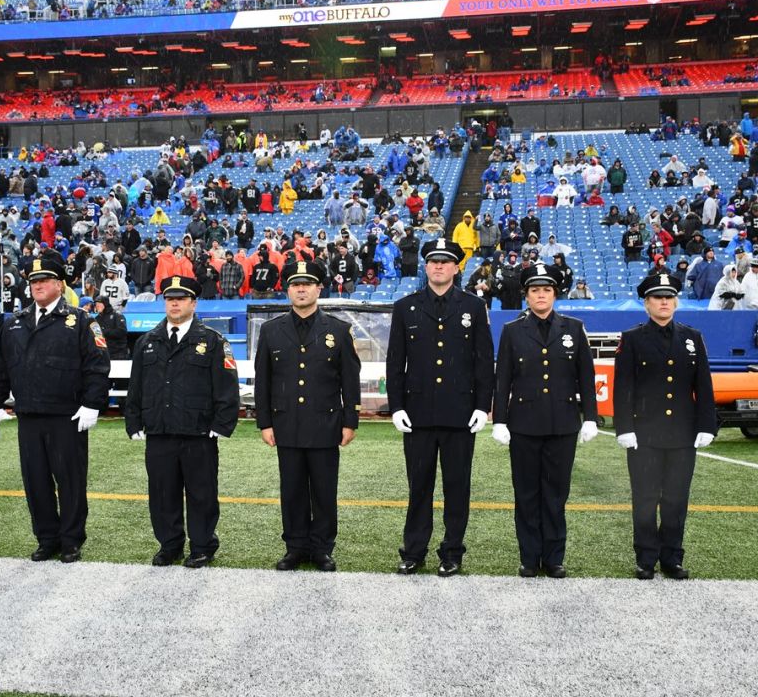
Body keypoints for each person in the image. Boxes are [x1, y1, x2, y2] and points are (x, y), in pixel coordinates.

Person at [0, 252, 111, 564]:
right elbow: (0, 367)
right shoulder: (14, 323)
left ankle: (71, 540)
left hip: (66, 416)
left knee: (70, 482)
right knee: (36, 482)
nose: (38, 286)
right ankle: (46, 538)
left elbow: (97, 366)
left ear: (59, 284)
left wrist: (92, 404)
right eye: (33, 282)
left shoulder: (81, 321)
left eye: (44, 280)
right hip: (28, 416)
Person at [386, 239, 495, 577]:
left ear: (456, 267)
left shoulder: (473, 307)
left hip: (460, 413)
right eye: (433, 261)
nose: (438, 267)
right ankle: (413, 551)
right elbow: (395, 362)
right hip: (417, 414)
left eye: (445, 262)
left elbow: (483, 361)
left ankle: (452, 551)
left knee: (457, 487)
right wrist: (396, 406)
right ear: (426, 266)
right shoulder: (406, 307)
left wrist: (482, 406)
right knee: (419, 486)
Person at [125, 275, 241, 568]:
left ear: (193, 302)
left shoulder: (213, 341)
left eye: (180, 298)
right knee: (163, 493)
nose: (174, 303)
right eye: (169, 298)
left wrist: (222, 424)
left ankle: (202, 545)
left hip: (198, 432)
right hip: (159, 430)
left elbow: (227, 386)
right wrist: (133, 420)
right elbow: (136, 385)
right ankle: (170, 544)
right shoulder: (147, 342)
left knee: (201, 493)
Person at [492, 263, 599, 578]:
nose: (541, 295)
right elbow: (503, 380)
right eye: (535, 290)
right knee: (526, 494)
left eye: (547, 290)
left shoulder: (574, 328)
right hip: (523, 425)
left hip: (563, 425)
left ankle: (554, 557)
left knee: (555, 495)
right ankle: (529, 557)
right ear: (526, 295)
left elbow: (586, 378)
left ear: (555, 294)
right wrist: (499, 420)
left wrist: (590, 417)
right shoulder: (512, 330)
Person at [254, 261, 361, 572]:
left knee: (325, 489)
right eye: (295, 284)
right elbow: (264, 380)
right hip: (286, 424)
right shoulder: (271, 330)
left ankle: (322, 548)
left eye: (307, 283)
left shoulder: (339, 330)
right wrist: (265, 422)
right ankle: (295, 546)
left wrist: (350, 421)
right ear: (287, 290)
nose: (301, 288)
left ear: (318, 289)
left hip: (325, 424)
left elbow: (349, 380)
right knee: (292, 488)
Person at [614, 273, 717, 580]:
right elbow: (624, 387)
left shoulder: (692, 337)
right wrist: (624, 427)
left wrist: (706, 424)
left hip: (682, 434)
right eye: (657, 298)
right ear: (646, 304)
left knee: (676, 498)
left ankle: (672, 557)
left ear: (676, 302)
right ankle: (645, 558)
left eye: (668, 297)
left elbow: (704, 384)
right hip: (644, 434)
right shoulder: (632, 338)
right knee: (645, 498)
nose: (664, 302)